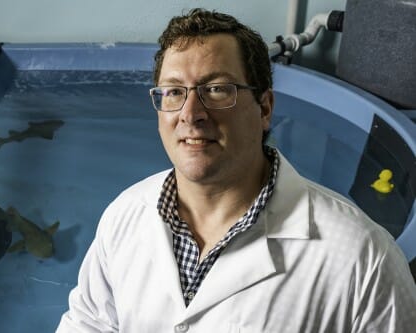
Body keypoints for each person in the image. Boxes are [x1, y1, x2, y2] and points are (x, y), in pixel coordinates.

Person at [57, 8, 416, 332]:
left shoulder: (363, 258)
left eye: (216, 90)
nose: (191, 113)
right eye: (173, 91)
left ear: (264, 108)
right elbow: (89, 323)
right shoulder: (125, 214)